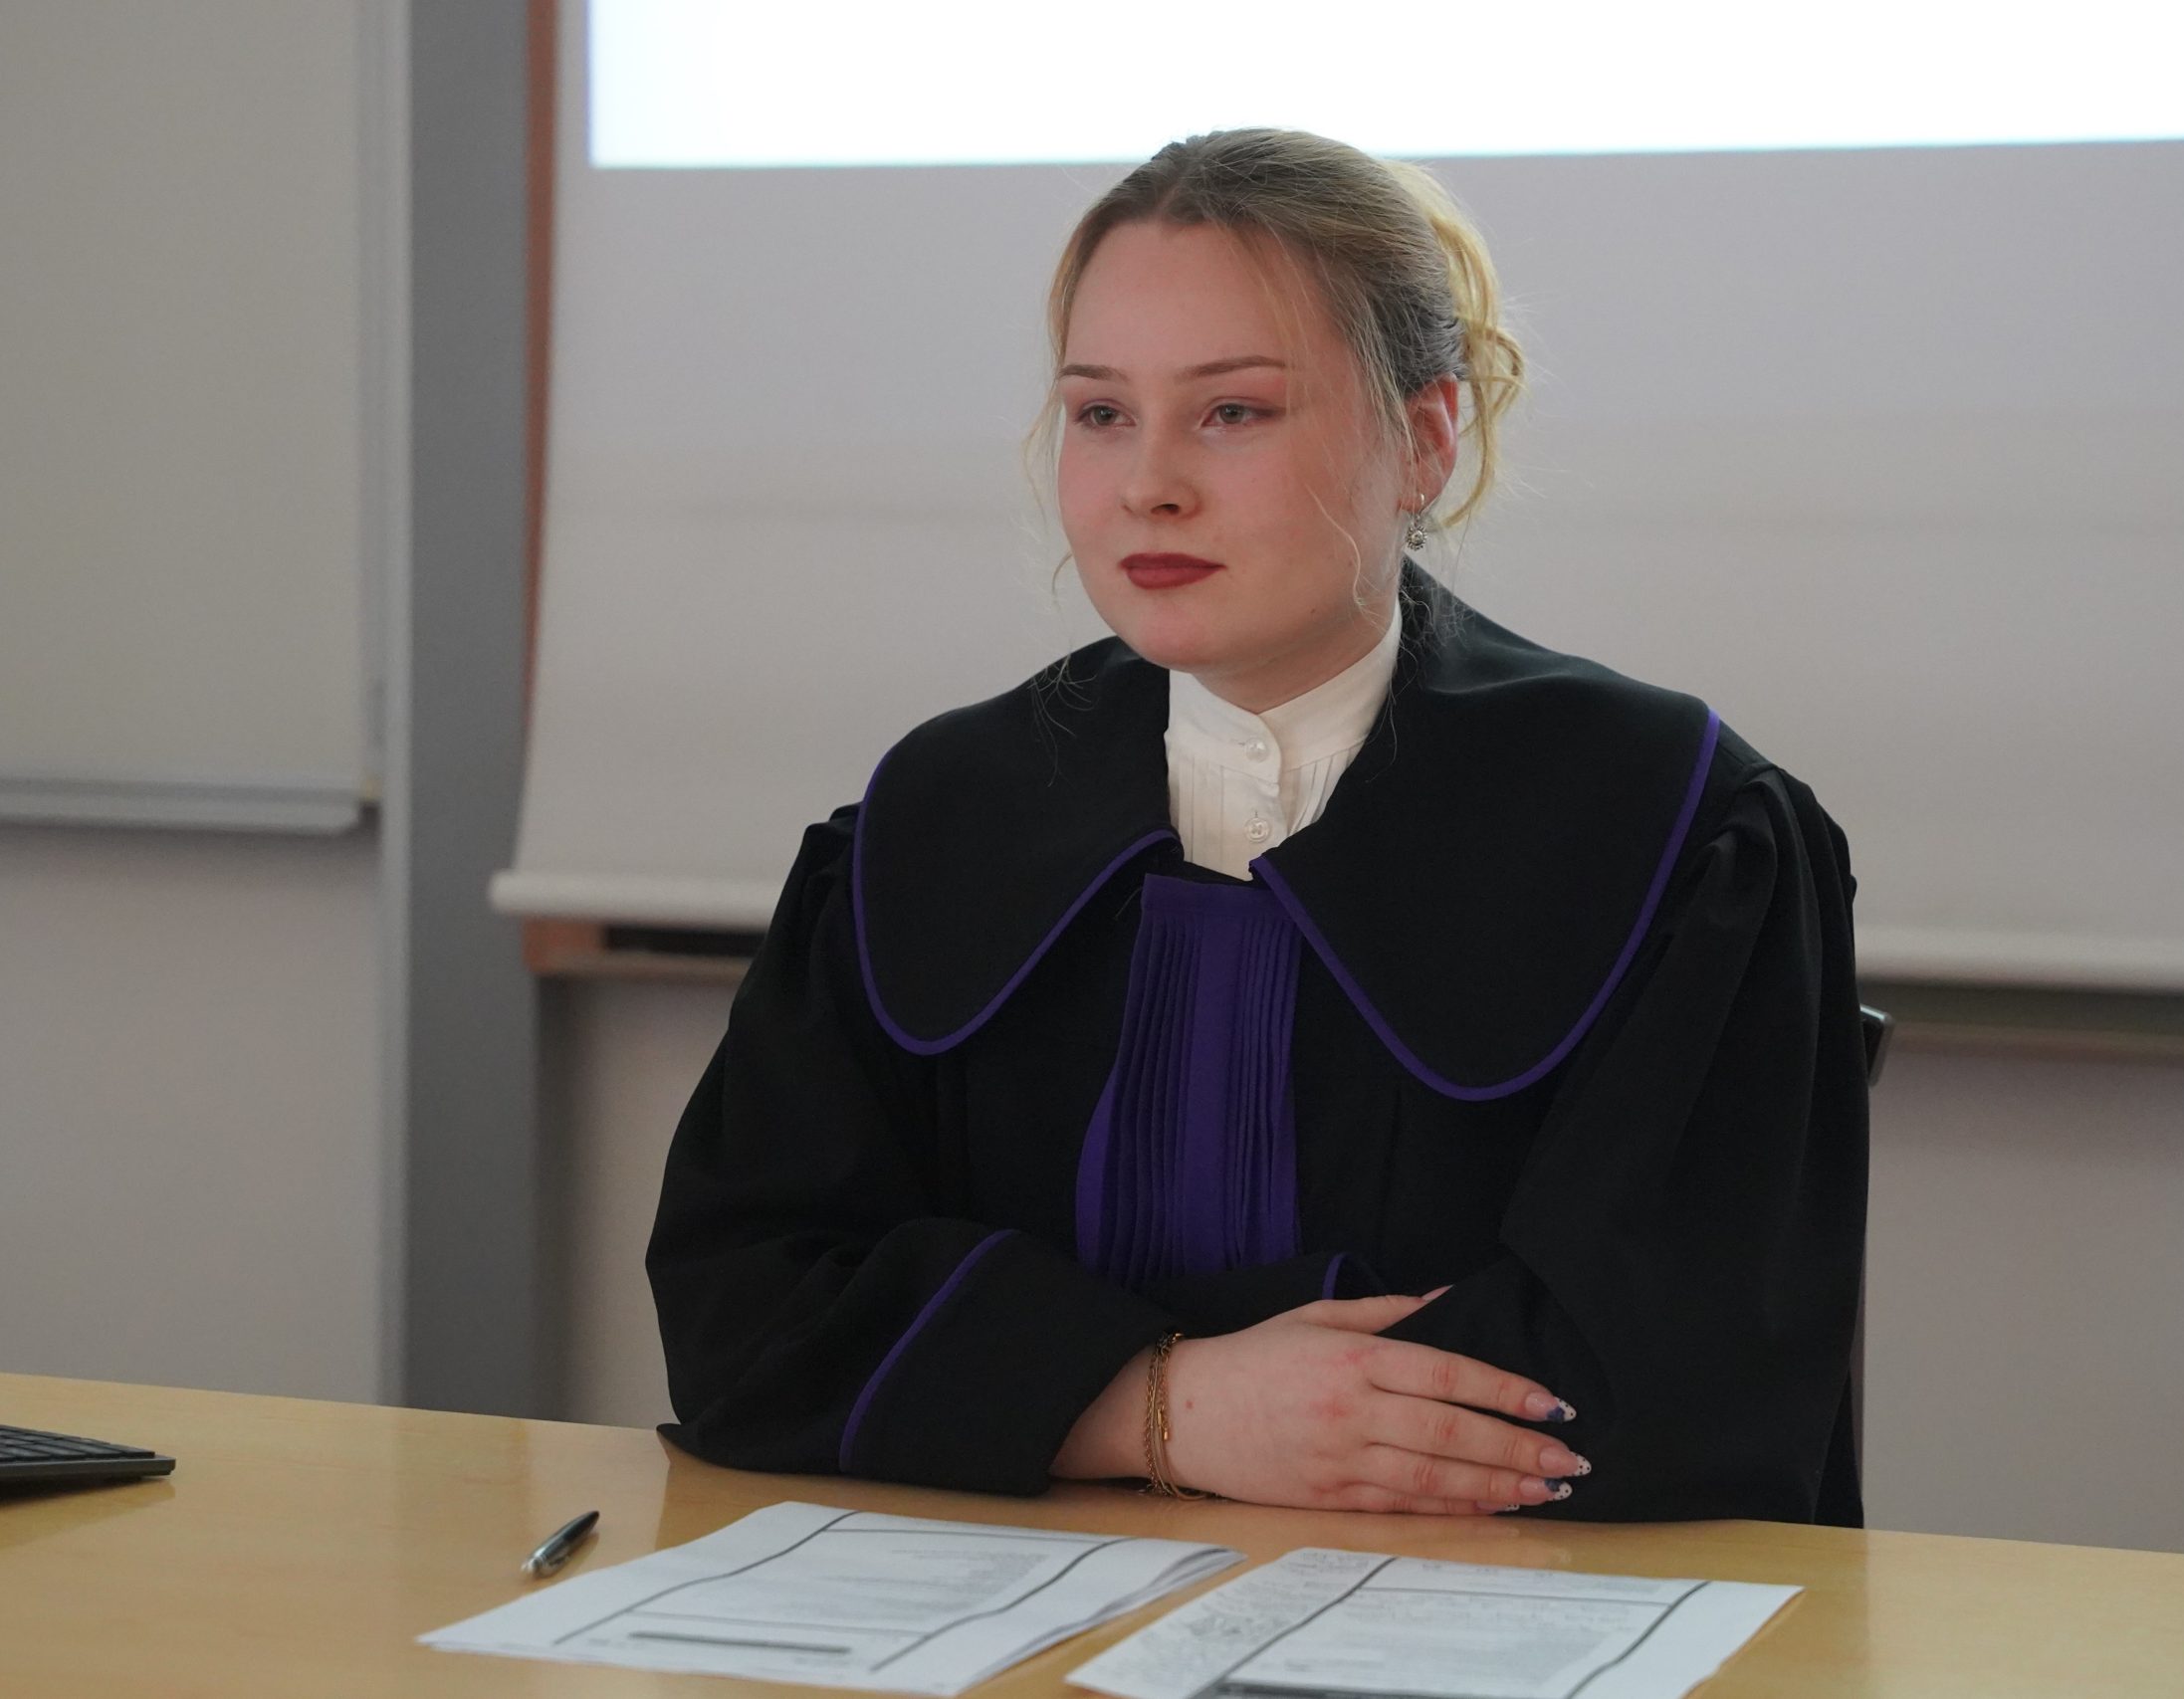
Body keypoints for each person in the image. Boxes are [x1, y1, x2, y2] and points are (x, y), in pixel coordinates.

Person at [646, 128, 1866, 1523]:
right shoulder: (938, 818)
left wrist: (1018, 1378)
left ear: (1425, 439)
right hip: (992, 1601)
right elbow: (743, 1308)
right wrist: (1164, 1407)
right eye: (1101, 413)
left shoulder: (1673, 825)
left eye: (1233, 411)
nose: (1148, 484)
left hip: (1494, 1609)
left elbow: (1678, 1386)